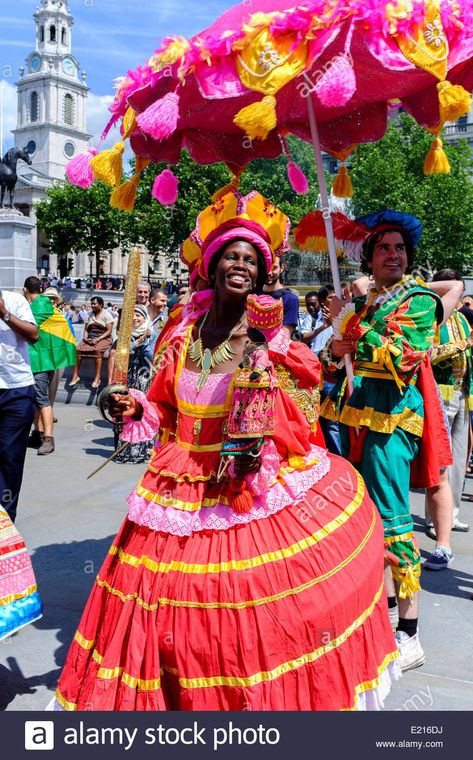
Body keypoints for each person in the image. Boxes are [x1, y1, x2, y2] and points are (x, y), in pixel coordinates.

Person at [53, 190, 398, 712]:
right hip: (173, 489)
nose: (241, 265)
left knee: (239, 622)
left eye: (251, 260)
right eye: (231, 256)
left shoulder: (275, 343)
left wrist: (262, 390)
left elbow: (300, 421)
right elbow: (167, 410)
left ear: (262, 275)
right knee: (160, 617)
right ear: (211, 268)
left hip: (243, 491)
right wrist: (133, 406)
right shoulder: (182, 332)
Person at [320, 210, 444, 673]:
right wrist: (336, 352)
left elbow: (403, 358)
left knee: (394, 522)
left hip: (393, 426)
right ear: (370, 260)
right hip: (353, 422)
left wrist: (349, 325)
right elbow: (340, 368)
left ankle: (411, 634)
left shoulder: (419, 300)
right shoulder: (370, 303)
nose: (394, 254)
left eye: (400, 248)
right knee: (367, 522)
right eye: (384, 248)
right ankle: (386, 617)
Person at [426, 269, 472, 538]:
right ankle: (434, 520)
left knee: (459, 457)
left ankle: (451, 514)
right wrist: (462, 346)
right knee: (440, 459)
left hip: (462, 392)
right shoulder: (432, 318)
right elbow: (428, 355)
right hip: (440, 393)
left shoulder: (463, 321)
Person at [23, 277, 76, 455]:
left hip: (38, 361)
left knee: (42, 400)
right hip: (49, 360)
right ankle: (37, 435)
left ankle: (48, 438)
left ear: (25, 291)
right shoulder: (51, 309)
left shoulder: (32, 309)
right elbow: (63, 331)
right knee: (39, 399)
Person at [0, 288, 38, 522]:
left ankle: (4, 528)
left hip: (16, 391)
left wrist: (4, 312)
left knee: (9, 460)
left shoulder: (14, 300)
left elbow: (33, 335)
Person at [114, 305, 155, 464]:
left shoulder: (152, 335)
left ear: (145, 318)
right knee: (129, 412)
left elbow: (152, 357)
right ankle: (127, 451)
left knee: (143, 414)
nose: (136, 318)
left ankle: (144, 450)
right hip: (129, 378)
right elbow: (121, 355)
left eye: (139, 315)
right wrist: (135, 343)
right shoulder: (124, 336)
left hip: (144, 378)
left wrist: (144, 342)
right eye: (133, 315)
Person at [69, 296, 114, 389]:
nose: (92, 305)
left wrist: (98, 339)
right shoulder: (89, 315)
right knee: (77, 350)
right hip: (90, 337)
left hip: (103, 338)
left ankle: (97, 378)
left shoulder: (107, 315)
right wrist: (85, 337)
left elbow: (109, 331)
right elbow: (86, 329)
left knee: (97, 351)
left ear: (101, 305)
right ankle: (75, 375)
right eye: (92, 304)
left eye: (94, 304)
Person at [259, 256, 299, 337]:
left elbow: (285, 335)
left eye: (274, 268)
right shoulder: (252, 296)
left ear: (282, 268)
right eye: (266, 268)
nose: (269, 273)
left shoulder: (290, 299)